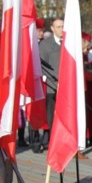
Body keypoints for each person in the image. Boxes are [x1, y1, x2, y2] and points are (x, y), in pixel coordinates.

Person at [37, 17, 64, 153]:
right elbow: (42, 67)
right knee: (52, 118)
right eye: (58, 27)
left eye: (63, 26)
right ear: (52, 29)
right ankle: (54, 144)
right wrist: (55, 82)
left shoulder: (69, 42)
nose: (61, 29)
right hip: (52, 88)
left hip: (67, 88)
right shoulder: (46, 45)